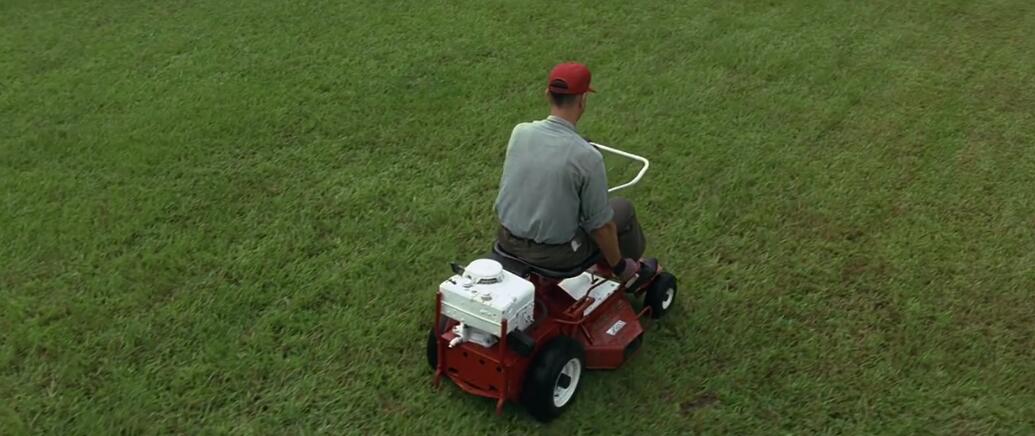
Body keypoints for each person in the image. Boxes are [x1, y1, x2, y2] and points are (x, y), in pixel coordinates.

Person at [494, 62, 653, 286]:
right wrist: (620, 266)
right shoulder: (588, 158)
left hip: (507, 239)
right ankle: (627, 271)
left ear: (548, 94)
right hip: (556, 256)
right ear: (582, 100)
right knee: (622, 210)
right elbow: (600, 226)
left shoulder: (520, 132)